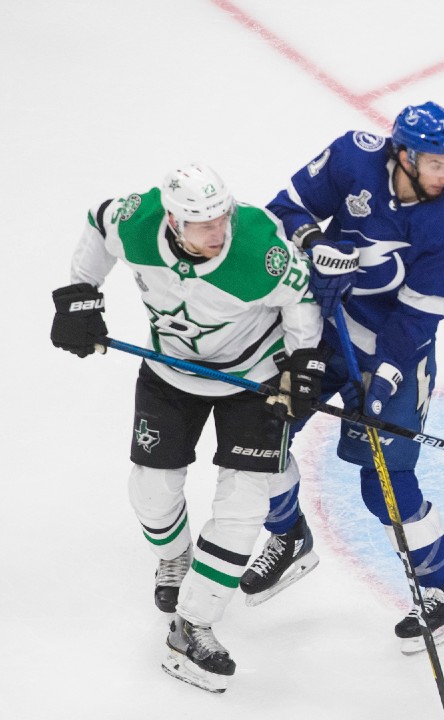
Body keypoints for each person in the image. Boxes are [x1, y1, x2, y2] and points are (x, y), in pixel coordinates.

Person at [50, 163, 326, 692]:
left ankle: (192, 627)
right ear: (173, 222)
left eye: (221, 218)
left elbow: (301, 299)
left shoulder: (259, 248)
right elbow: (97, 221)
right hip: (168, 371)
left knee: (243, 509)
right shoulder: (138, 220)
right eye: (202, 224)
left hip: (253, 378)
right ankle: (176, 559)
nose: (217, 231)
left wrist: (304, 363)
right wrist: (79, 296)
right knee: (151, 492)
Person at [241, 101, 444, 653]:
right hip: (320, 332)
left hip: (397, 353)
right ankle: (289, 535)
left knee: (386, 485)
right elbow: (283, 210)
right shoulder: (353, 156)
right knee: (260, 433)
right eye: (436, 162)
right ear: (403, 153)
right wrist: (314, 243)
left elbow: (421, 314)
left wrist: (387, 378)